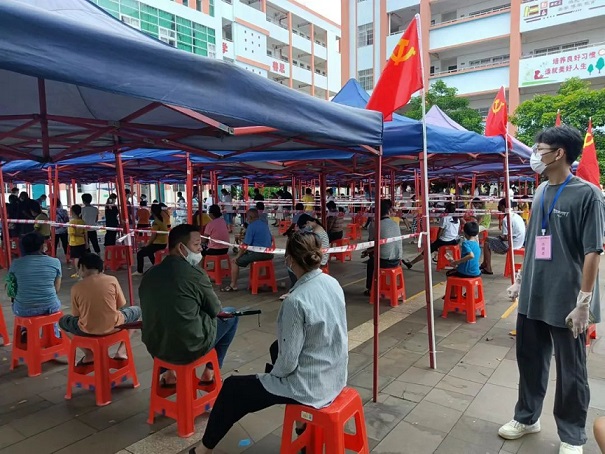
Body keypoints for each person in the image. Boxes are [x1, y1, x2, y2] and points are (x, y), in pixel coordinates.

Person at [192, 231, 348, 454]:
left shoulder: (295, 301)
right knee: (276, 347)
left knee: (233, 388)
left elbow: (288, 363)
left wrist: (270, 378)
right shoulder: (332, 283)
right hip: (335, 375)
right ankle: (301, 424)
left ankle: (202, 450)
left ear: (289, 260)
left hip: (311, 387)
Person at [500, 126, 605, 454]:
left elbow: (593, 252)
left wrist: (584, 303)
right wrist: (521, 280)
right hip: (534, 294)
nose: (535, 154)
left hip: (568, 300)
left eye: (540, 148)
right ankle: (527, 417)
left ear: (559, 153)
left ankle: (572, 436)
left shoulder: (588, 194)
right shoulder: (541, 190)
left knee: (572, 371)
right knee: (529, 360)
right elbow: (535, 240)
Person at [140, 224, 238, 387]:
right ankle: (210, 372)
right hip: (190, 347)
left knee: (163, 323)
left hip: (155, 346)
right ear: (181, 248)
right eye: (196, 244)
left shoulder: (149, 274)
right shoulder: (195, 274)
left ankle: (168, 374)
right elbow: (215, 310)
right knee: (231, 314)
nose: (200, 249)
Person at [59, 253, 141, 364]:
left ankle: (89, 354)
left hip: (87, 330)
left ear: (82, 268)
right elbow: (120, 305)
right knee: (136, 311)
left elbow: (76, 315)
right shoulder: (112, 280)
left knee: (63, 322)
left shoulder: (76, 288)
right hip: (115, 326)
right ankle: (121, 351)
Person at [8, 232, 61, 318]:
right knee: (52, 317)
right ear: (42, 246)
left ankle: (25, 327)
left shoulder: (15, 264)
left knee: (18, 307)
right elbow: (56, 289)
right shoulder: (55, 262)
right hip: (50, 307)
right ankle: (53, 327)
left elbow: (11, 291)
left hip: (23, 309)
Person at [221, 208, 273, 292]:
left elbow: (245, 245)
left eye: (247, 217)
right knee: (258, 261)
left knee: (234, 261)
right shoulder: (264, 225)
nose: (246, 218)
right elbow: (270, 239)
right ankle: (260, 281)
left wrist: (237, 256)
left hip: (258, 254)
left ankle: (233, 285)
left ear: (250, 217)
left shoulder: (251, 226)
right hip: (269, 253)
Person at [281, 214, 330, 300]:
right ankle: (293, 289)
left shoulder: (315, 234)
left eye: (304, 226)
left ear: (308, 222)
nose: (305, 228)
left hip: (320, 260)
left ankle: (294, 290)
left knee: (291, 268)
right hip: (320, 258)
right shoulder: (318, 230)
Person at [363, 200, 403, 295]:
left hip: (385, 261)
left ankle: (371, 289)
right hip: (397, 259)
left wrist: (367, 252)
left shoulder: (374, 224)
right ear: (388, 212)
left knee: (371, 262)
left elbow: (371, 244)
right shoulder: (395, 224)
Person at [403, 202, 459, 269]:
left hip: (445, 240)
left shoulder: (445, 218)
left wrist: (437, 240)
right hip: (454, 240)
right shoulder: (457, 219)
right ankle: (447, 259)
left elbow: (440, 231)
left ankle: (411, 263)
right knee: (438, 248)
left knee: (428, 250)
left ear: (446, 209)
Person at [481, 198, 526, 275]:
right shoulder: (517, 216)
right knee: (490, 239)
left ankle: (488, 267)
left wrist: (499, 237)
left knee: (487, 241)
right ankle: (485, 264)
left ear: (503, 207)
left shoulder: (506, 219)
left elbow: (506, 238)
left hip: (511, 244)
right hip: (520, 242)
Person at [132, 204, 168, 276]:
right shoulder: (163, 220)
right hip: (163, 243)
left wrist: (147, 244)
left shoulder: (156, 222)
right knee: (148, 251)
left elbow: (153, 235)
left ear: (152, 212)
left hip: (158, 244)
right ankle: (155, 265)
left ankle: (139, 271)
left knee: (140, 254)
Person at [68, 205, 87, 278]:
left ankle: (78, 272)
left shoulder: (72, 222)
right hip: (82, 242)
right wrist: (86, 242)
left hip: (74, 243)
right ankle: (82, 271)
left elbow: (72, 233)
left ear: (72, 212)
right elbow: (86, 233)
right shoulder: (82, 221)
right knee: (82, 258)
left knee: (76, 258)